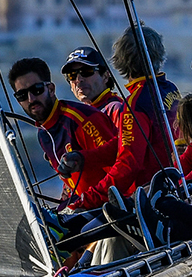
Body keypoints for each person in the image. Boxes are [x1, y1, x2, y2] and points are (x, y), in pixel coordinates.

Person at [72, 24, 181, 210]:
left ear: (121, 61)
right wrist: (84, 159)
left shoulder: (136, 103)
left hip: (153, 200)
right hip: (178, 185)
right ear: (158, 54)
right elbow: (125, 143)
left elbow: (128, 163)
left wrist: (88, 200)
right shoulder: (169, 89)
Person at [7, 58, 117, 206]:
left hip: (108, 208)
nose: (31, 99)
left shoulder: (81, 119)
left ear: (51, 89)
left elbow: (118, 165)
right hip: (82, 206)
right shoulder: (43, 134)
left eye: (37, 89)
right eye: (22, 95)